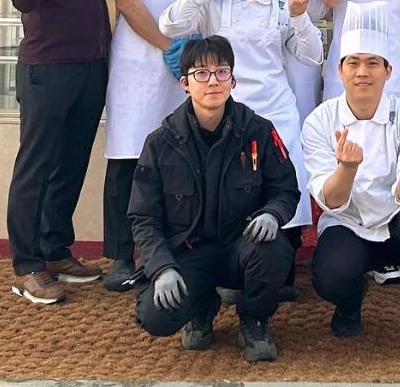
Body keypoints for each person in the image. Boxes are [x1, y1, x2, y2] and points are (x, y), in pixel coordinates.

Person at [159, 0, 321, 296]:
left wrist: (301, 18)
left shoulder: (285, 4)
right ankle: (229, 272)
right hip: (223, 111)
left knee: (281, 187)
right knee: (228, 193)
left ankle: (277, 272)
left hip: (275, 113)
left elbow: (313, 54)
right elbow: (169, 25)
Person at [103, 0, 220, 291]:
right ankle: (119, 256)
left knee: (182, 156)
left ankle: (176, 249)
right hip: (137, 61)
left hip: (188, 63)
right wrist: (168, 46)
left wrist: (198, 56)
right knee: (129, 158)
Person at [128, 35, 299, 362]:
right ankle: (201, 307)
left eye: (222, 72)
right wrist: (162, 268)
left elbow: (285, 189)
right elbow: (143, 218)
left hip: (242, 247)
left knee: (275, 248)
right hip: (189, 254)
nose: (213, 81)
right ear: (184, 83)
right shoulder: (161, 143)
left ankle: (254, 320)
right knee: (155, 315)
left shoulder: (258, 131)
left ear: (233, 80)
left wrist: (273, 214)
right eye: (201, 74)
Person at [301, 1, 400, 364]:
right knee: (331, 277)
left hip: (397, 226)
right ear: (339, 71)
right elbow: (331, 202)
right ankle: (350, 303)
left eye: (372, 63)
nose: (362, 72)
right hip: (348, 224)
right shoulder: (320, 122)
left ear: (388, 71)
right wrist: (347, 169)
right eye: (353, 63)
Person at [6, 0, 110, 304]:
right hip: (48, 67)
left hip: (90, 66)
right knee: (37, 165)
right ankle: (27, 264)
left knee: (71, 162)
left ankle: (55, 247)